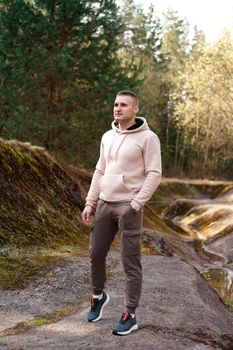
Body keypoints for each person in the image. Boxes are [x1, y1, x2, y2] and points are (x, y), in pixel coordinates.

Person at [82, 90, 162, 336]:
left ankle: (130, 313)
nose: (118, 108)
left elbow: (154, 174)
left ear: (135, 109)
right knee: (96, 254)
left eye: (124, 105)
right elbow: (99, 171)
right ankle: (98, 296)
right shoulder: (107, 136)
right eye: (116, 104)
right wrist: (90, 202)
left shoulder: (148, 138)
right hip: (105, 203)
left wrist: (136, 205)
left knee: (130, 261)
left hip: (129, 206)